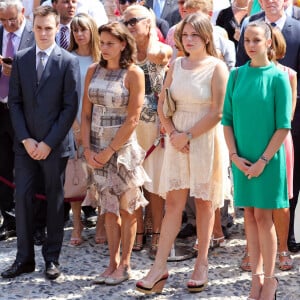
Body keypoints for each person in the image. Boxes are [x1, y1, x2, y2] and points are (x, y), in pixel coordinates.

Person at [136, 12, 229, 294]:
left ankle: (202, 263)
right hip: (176, 137)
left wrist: (187, 135)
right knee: (173, 205)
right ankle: (159, 267)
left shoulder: (217, 67)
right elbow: (162, 101)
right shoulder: (175, 64)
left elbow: (218, 111)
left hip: (204, 138)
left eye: (194, 35)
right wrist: (171, 132)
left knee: (203, 203)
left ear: (206, 38)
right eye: (185, 35)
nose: (188, 40)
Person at [1, 5, 80, 280]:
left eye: (49, 28)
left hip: (54, 146)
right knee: (21, 198)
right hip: (25, 146)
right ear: (32, 28)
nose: (44, 32)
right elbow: (15, 103)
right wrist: (25, 139)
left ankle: (52, 259)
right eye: (39, 27)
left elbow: (70, 107)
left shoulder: (67, 61)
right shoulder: (21, 59)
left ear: (57, 29)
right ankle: (24, 259)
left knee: (54, 201)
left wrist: (46, 143)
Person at [222, 21, 291, 299]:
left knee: (264, 216)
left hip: (269, 158)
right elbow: (226, 119)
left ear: (269, 42)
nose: (250, 45)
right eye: (247, 40)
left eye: (256, 40)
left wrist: (263, 160)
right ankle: (256, 278)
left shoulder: (279, 77)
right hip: (241, 158)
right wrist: (234, 156)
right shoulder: (236, 76)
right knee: (248, 215)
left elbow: (283, 125)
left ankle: (271, 280)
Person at [81, 21, 149, 285]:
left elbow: (133, 118)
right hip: (96, 149)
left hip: (122, 151)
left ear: (123, 44)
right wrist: (87, 148)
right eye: (103, 43)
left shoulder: (134, 73)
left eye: (111, 43)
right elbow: (86, 113)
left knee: (127, 208)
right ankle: (111, 263)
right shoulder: (92, 70)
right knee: (108, 210)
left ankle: (126, 264)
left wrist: (110, 150)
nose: (105, 48)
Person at [236, 0, 300, 254]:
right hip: (250, 131)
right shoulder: (248, 27)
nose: (252, 45)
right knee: (251, 203)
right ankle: (254, 251)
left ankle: (283, 245)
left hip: (287, 128)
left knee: (284, 195)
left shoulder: (287, 72)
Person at [122, 5, 172, 257]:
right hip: (130, 124)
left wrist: (150, 40)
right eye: (125, 22)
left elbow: (162, 55)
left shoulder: (159, 50)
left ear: (149, 23)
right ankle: (138, 231)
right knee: (133, 181)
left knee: (153, 182)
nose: (129, 26)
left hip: (155, 125)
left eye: (133, 22)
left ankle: (157, 232)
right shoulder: (124, 53)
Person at [0, 0, 35, 242]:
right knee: (2, 166)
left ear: (23, 12)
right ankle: (8, 219)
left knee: (28, 166)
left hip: (25, 112)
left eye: (12, 19)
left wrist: (18, 73)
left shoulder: (36, 34)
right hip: (0, 109)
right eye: (3, 21)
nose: (8, 25)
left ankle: (33, 221)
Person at [67, 13, 102, 246]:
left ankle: (101, 223)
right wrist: (76, 126)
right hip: (75, 122)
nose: (80, 35)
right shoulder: (67, 58)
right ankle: (77, 224)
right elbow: (64, 96)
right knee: (77, 175)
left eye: (84, 30)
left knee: (99, 174)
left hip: (100, 122)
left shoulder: (102, 58)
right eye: (75, 31)